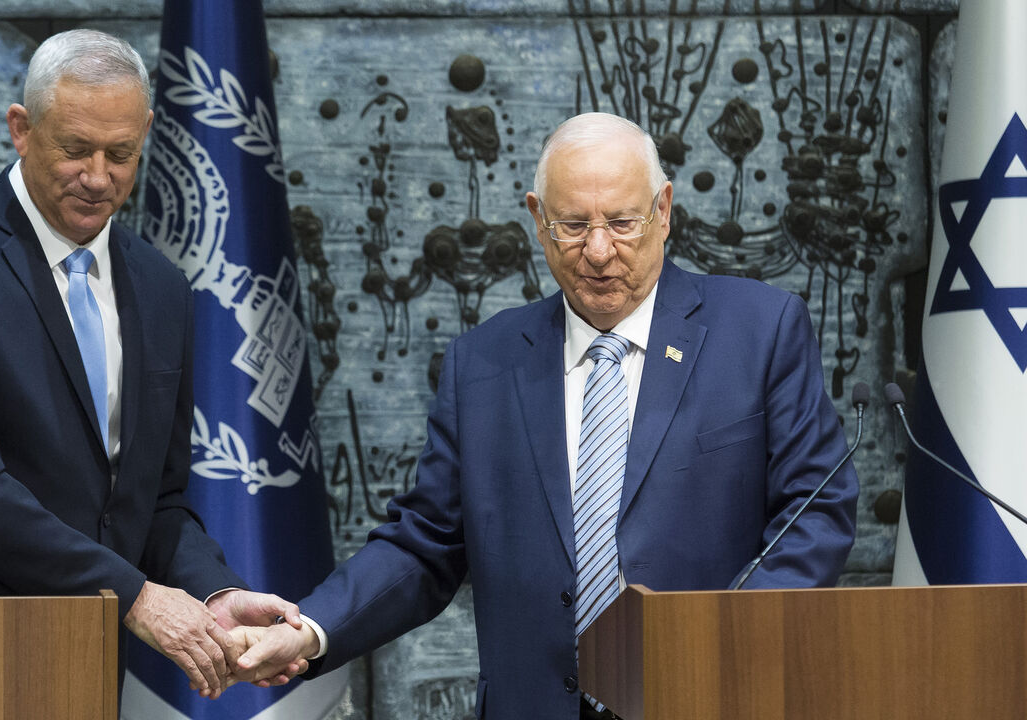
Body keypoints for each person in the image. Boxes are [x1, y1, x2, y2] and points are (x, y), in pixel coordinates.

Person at [231, 112, 859, 718]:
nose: (598, 250)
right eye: (572, 224)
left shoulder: (760, 331)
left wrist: (713, 646)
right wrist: (311, 629)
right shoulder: (483, 363)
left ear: (664, 211)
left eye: (622, 221)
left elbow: (815, 514)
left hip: (711, 696)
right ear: (536, 220)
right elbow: (424, 545)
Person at [0, 29, 300, 699]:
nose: (99, 177)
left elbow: (154, 500)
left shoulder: (162, 287)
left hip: (74, 660)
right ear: (22, 129)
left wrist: (212, 592)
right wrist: (136, 596)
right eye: (75, 149)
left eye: (122, 153)